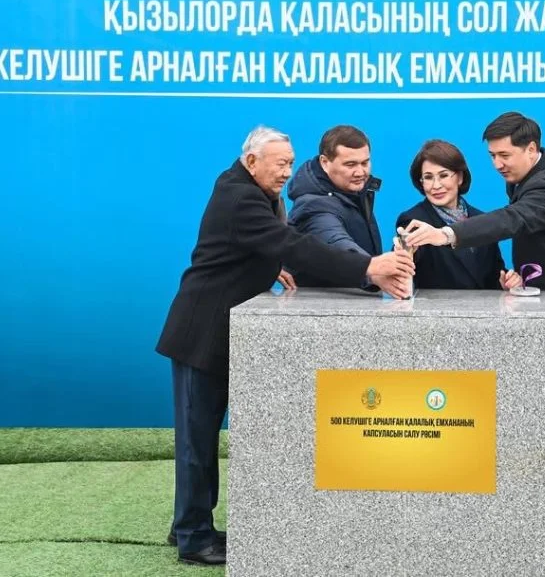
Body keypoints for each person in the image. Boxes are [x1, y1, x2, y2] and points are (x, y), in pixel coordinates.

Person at [155, 125, 414, 567]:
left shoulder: (251, 188)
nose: (286, 173)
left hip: (220, 333)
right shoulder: (240, 197)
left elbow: (260, 245)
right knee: (197, 442)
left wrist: (267, 265)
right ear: (252, 161)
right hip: (201, 335)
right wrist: (369, 267)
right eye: (280, 165)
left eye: (290, 164)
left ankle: (190, 523)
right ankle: (193, 537)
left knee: (203, 438)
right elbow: (291, 243)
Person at [402, 112, 545, 505]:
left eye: (504, 155)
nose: (497, 165)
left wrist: (446, 233)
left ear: (531, 149)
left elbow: (514, 219)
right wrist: (523, 278)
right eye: (492, 156)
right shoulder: (528, 178)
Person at [395, 139, 521, 291]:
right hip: (437, 306)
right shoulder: (414, 220)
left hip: (483, 306)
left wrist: (506, 281)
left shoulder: (481, 219)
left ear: (460, 177)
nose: (436, 185)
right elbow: (402, 268)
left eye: (443, 175)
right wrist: (405, 253)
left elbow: (494, 274)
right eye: (428, 177)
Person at [286, 125, 383, 288]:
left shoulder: (354, 193)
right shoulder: (313, 205)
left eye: (365, 163)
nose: (360, 172)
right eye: (350, 164)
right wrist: (375, 272)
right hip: (321, 303)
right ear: (325, 163)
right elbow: (337, 242)